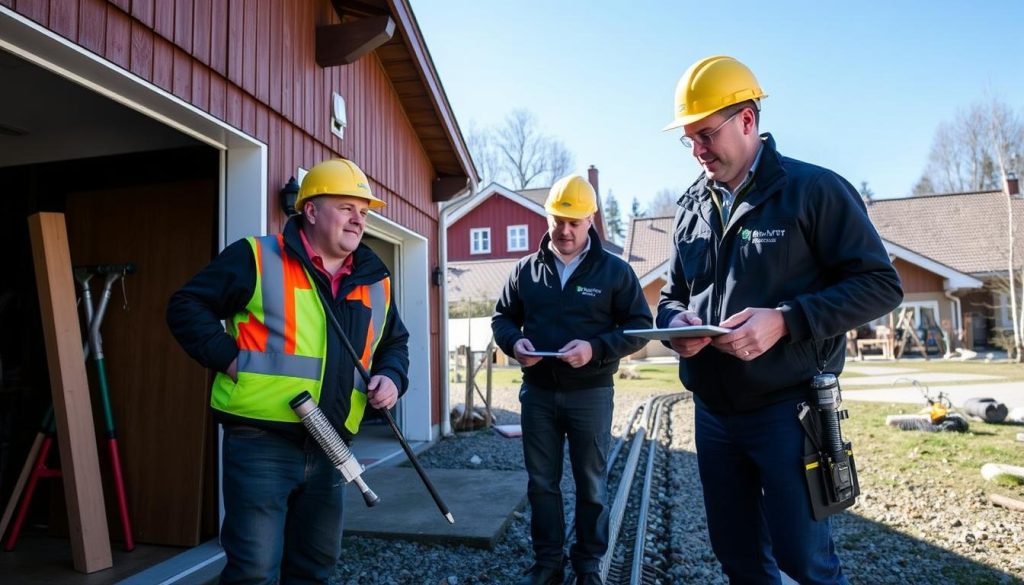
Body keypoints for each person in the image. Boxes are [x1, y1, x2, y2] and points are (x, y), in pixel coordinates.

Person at [657, 55, 902, 584]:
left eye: (705, 134)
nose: (697, 150)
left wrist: (787, 320)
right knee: (739, 558)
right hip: (714, 414)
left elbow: (881, 285)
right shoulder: (690, 207)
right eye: (689, 139)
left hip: (787, 412)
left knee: (805, 562)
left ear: (747, 120)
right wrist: (678, 325)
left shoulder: (813, 191)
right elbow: (671, 294)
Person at [167, 158, 410, 584]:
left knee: (315, 569)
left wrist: (391, 377)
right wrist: (228, 357)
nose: (359, 219)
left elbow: (394, 344)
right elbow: (187, 306)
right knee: (254, 570)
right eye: (347, 207)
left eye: (364, 212)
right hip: (261, 442)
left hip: (333, 445)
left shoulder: (376, 281)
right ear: (311, 210)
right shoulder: (257, 256)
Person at [492, 175, 652, 585]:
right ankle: (547, 564)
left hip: (591, 394)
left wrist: (595, 349)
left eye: (574, 223)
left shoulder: (614, 272)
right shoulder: (525, 271)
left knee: (591, 484)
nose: (564, 231)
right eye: (557, 220)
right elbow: (502, 318)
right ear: (547, 217)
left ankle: (587, 567)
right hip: (539, 394)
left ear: (590, 220)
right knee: (542, 484)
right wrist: (515, 344)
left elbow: (638, 327)